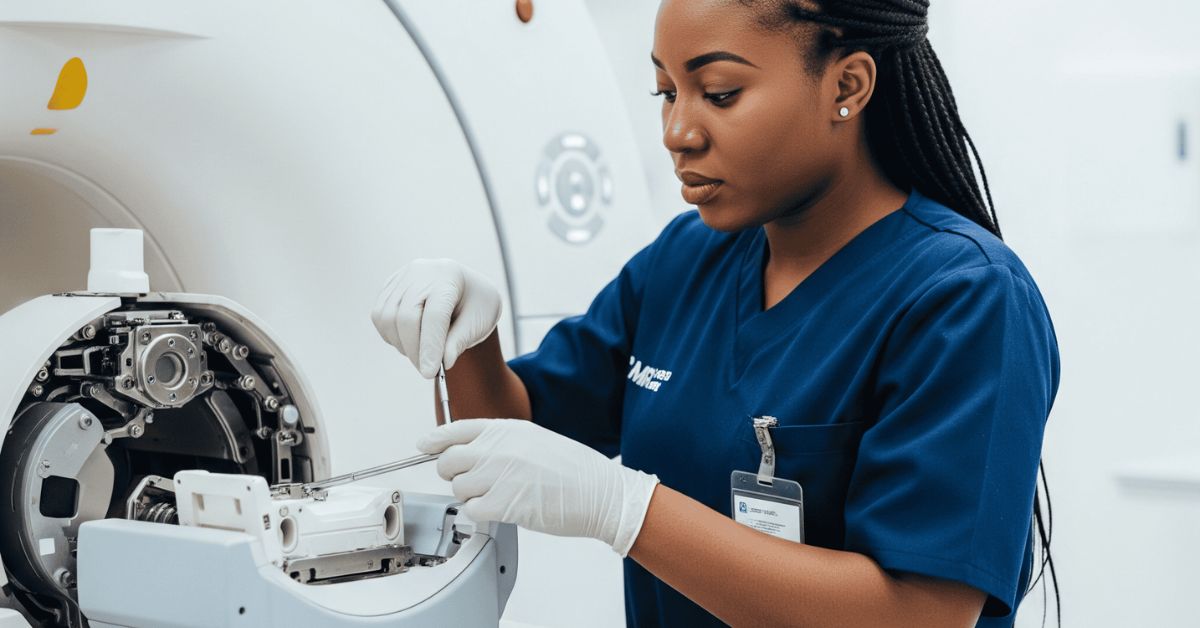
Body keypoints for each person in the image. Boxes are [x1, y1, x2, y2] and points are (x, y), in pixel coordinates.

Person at [371, 0, 1059, 626]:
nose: (677, 132)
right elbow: (507, 438)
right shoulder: (686, 260)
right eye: (666, 92)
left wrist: (625, 509)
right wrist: (466, 338)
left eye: (720, 93)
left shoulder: (965, 298)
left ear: (847, 86)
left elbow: (920, 613)